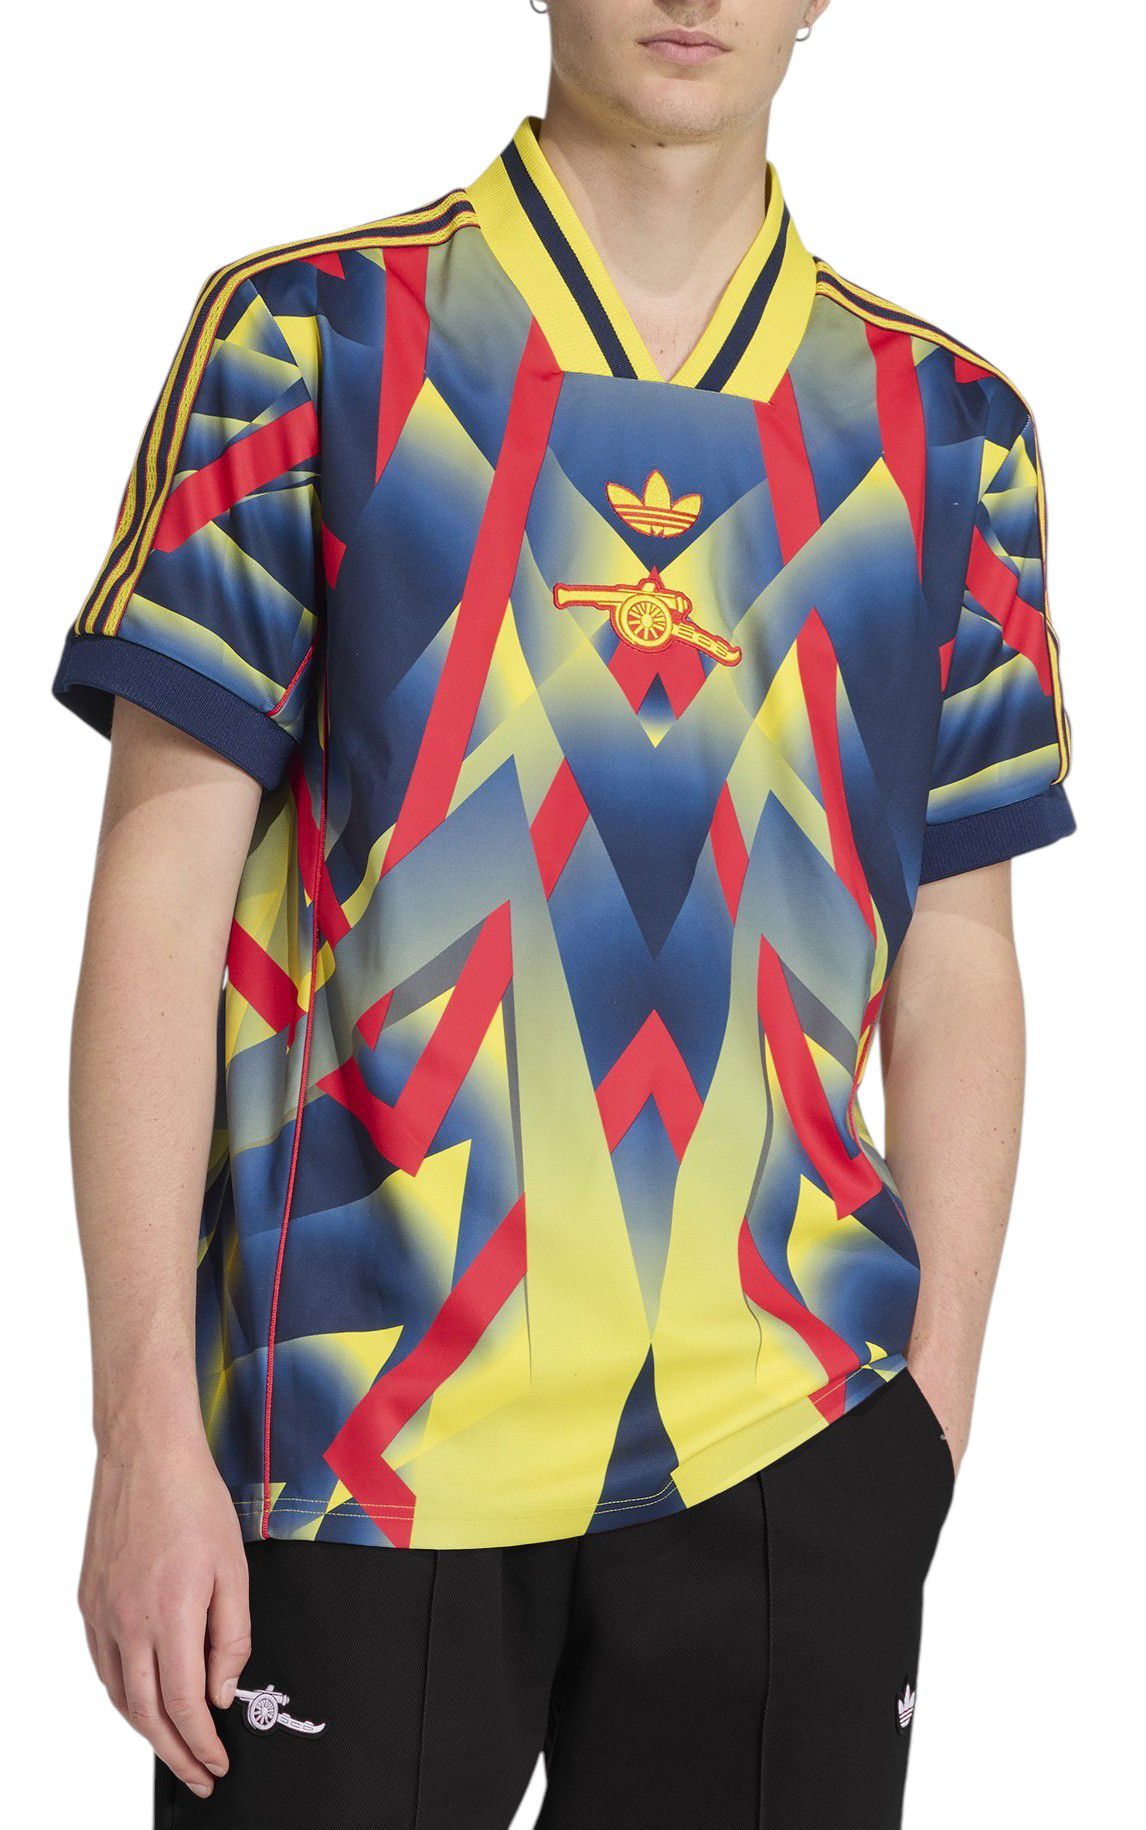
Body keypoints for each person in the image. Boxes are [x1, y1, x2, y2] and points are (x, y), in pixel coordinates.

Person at [54, 2, 1073, 1824]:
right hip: (350, 1434)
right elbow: (155, 894)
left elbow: (960, 951)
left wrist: (928, 1415)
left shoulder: (947, 428)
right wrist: (138, 1418)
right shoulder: (310, 340)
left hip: (792, 1430)